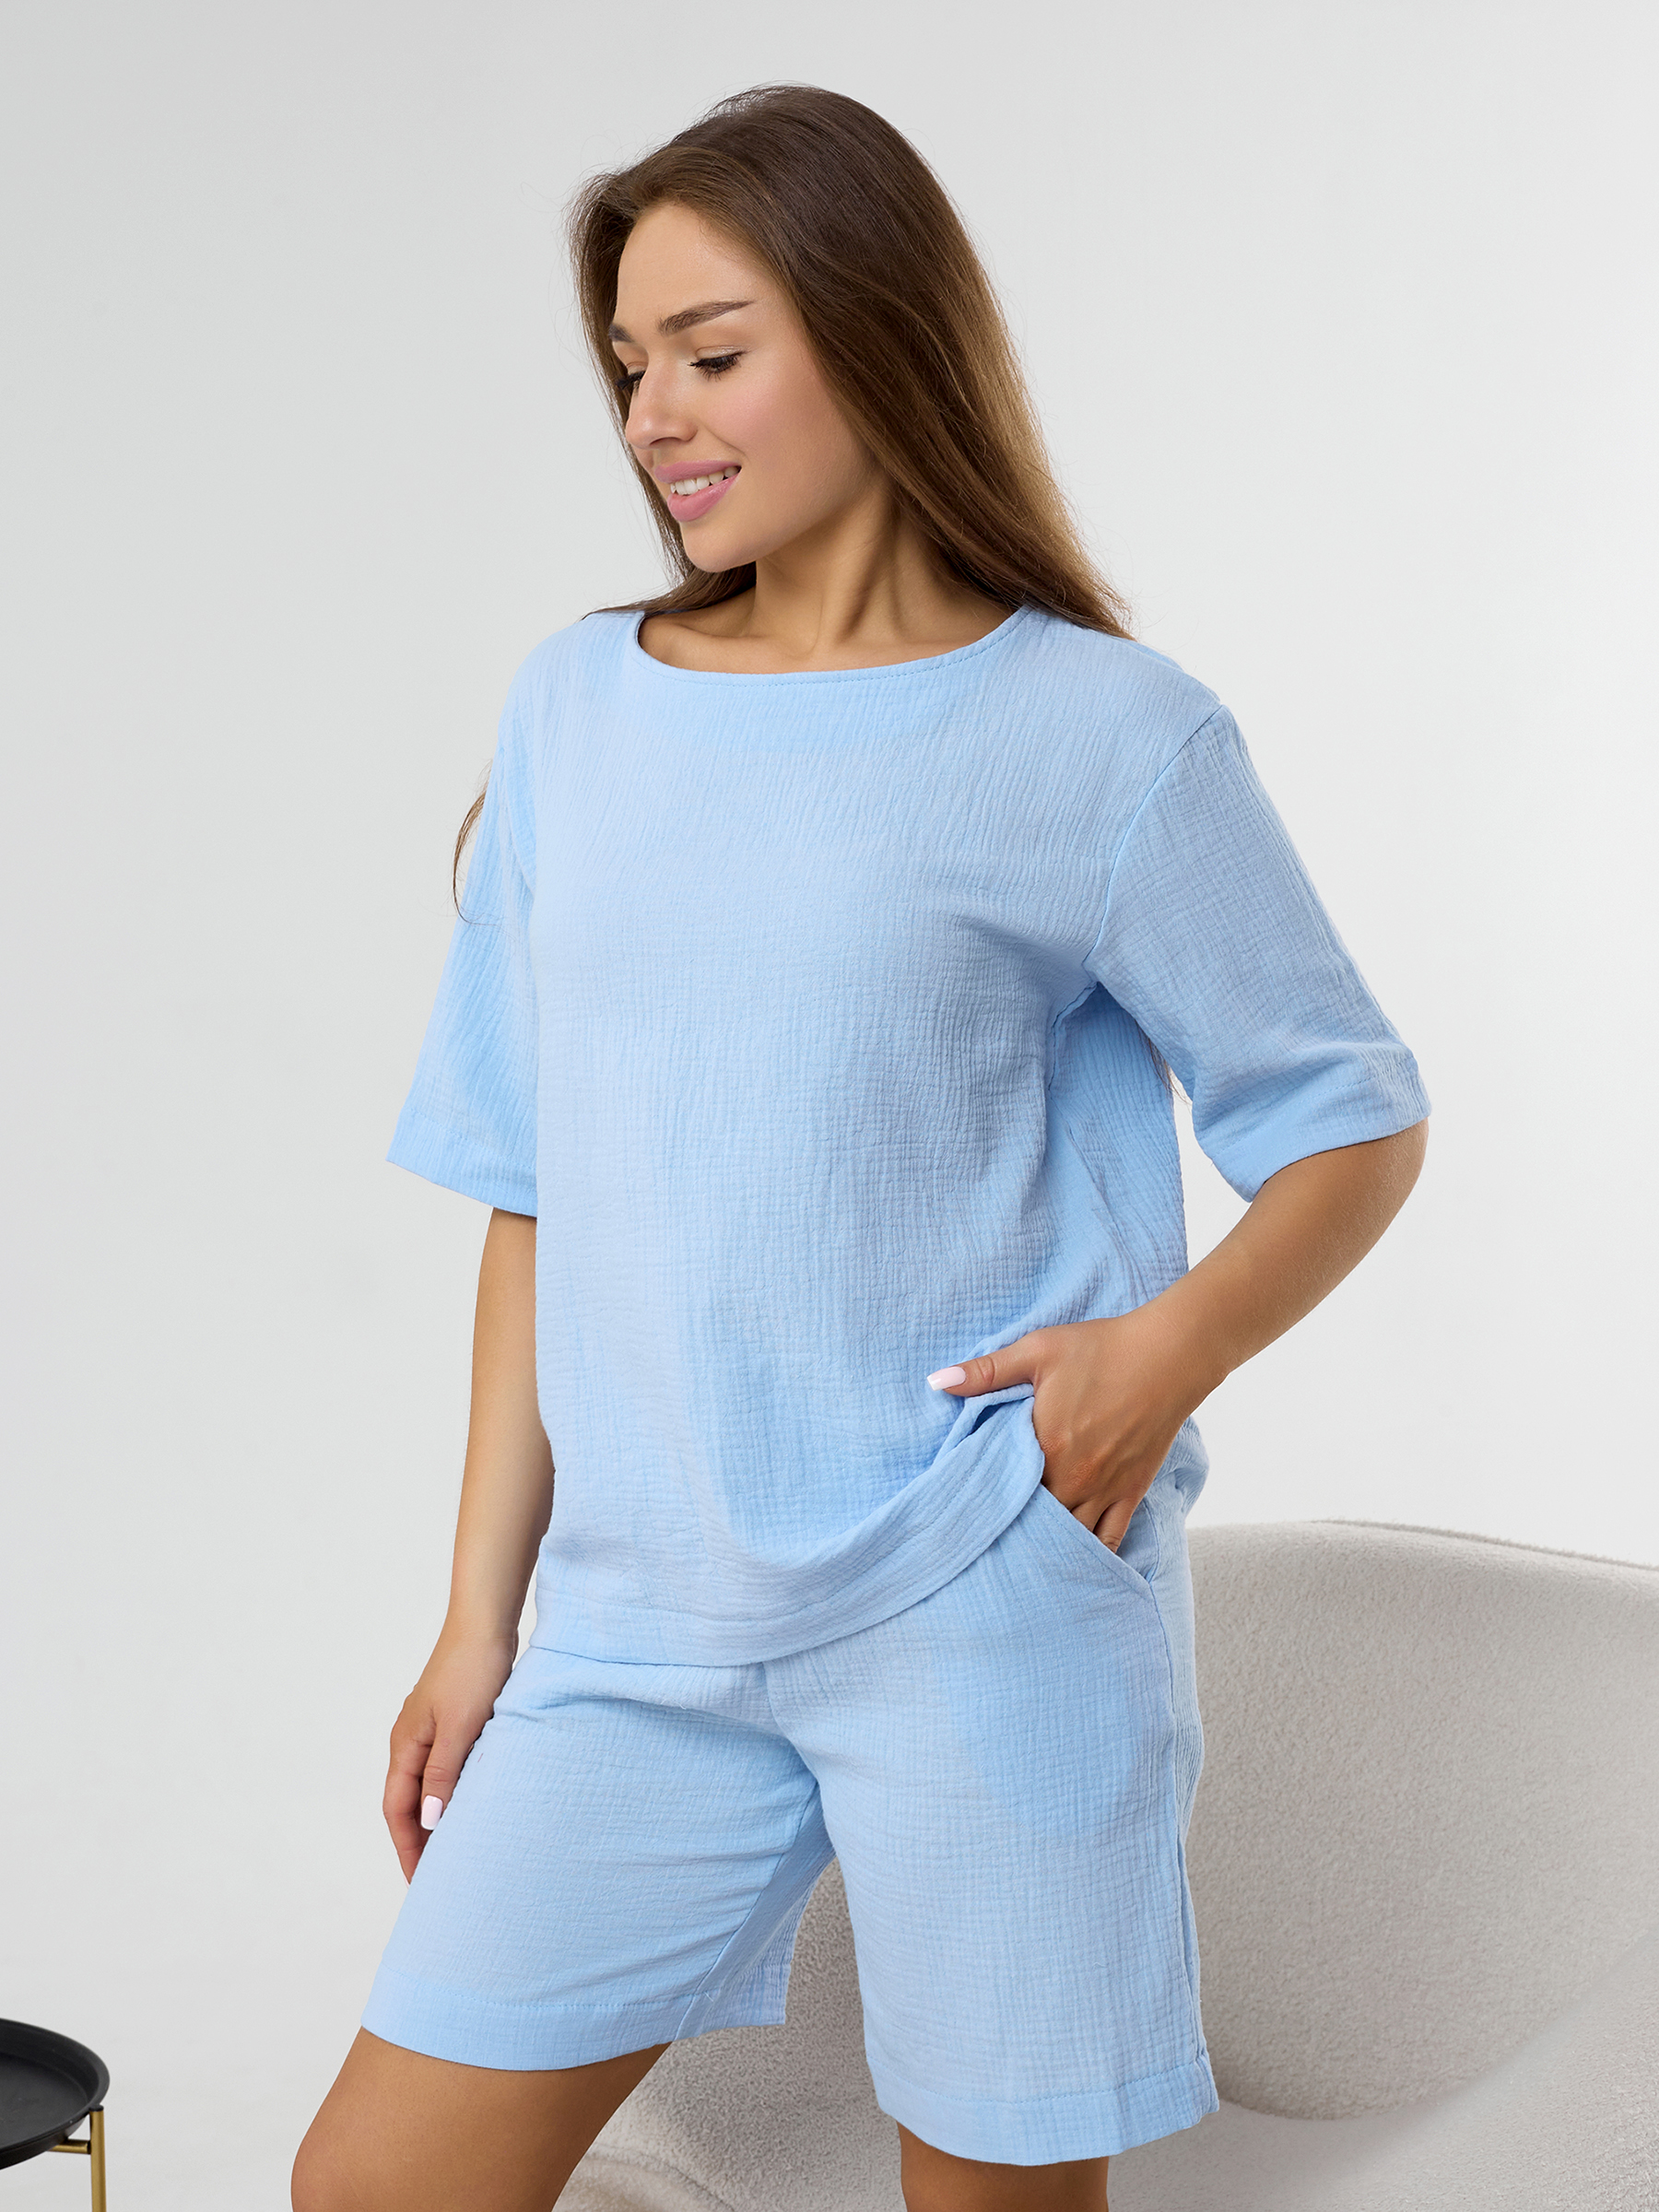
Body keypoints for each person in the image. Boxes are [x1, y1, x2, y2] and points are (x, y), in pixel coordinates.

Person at [293, 82, 1430, 2212]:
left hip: (981, 1600)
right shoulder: (576, 708)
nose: (654, 414)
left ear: (879, 338)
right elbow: (532, 1191)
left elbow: (1353, 1122)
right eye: (630, 364)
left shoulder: (1103, 734)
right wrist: (476, 1623)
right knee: (376, 2185)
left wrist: (1158, 1357)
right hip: (637, 1629)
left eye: (711, 351)